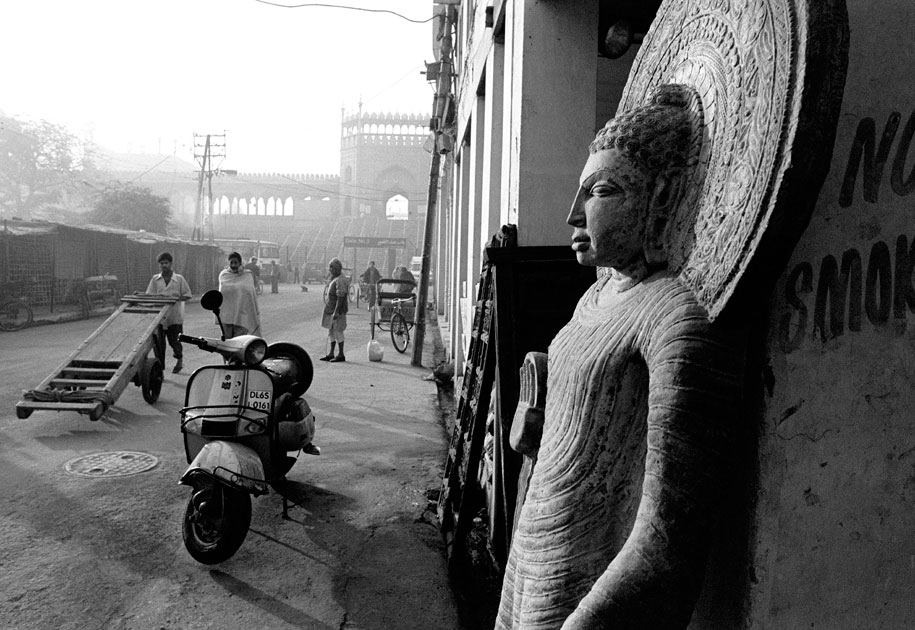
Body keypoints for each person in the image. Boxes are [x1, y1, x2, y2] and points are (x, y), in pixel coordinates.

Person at [496, 85, 745, 629]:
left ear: (663, 198)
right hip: (529, 555)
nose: (573, 215)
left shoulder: (675, 320)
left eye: (601, 191)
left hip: (586, 588)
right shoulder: (594, 297)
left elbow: (667, 540)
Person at [145, 252, 192, 373]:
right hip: (159, 318)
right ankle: (160, 370)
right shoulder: (155, 279)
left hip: (174, 317)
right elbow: (149, 295)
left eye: (166, 263)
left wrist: (175, 299)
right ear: (159, 265)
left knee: (175, 342)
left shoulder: (179, 279)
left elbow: (187, 295)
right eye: (162, 263)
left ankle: (179, 359)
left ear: (171, 264)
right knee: (159, 345)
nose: (164, 265)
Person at [218, 252, 261, 338]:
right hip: (226, 315)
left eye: (236, 262)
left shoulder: (247, 275)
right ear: (228, 263)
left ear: (240, 263)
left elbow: (250, 292)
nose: (233, 265)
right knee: (227, 342)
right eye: (231, 263)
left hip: (242, 314)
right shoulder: (224, 275)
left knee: (240, 341)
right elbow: (222, 292)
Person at [320, 258, 348, 363]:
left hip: (337, 311)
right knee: (331, 331)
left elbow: (341, 297)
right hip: (330, 309)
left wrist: (336, 311)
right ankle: (331, 353)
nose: (330, 270)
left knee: (338, 331)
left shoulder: (340, 280)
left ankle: (341, 354)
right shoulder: (334, 278)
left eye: (332, 268)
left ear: (337, 269)